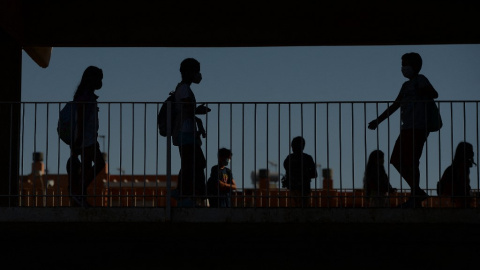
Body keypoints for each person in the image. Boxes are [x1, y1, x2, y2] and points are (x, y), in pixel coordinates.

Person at [368, 52, 439, 208]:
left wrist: (421, 92)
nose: (403, 68)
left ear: (414, 66)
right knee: (396, 160)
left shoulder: (421, 79)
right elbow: (395, 105)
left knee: (411, 161)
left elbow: (434, 93)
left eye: (405, 64)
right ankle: (416, 191)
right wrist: (378, 120)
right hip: (407, 127)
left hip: (418, 126)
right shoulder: (405, 86)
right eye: (402, 65)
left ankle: (415, 195)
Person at [172, 58, 210, 207]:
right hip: (185, 132)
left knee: (191, 163)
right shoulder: (184, 89)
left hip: (187, 133)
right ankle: (186, 195)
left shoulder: (183, 88)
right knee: (195, 163)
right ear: (189, 72)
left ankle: (184, 192)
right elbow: (187, 109)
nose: (198, 75)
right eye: (196, 71)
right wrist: (198, 110)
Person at [67, 66, 106, 207]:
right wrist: (78, 139)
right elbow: (82, 119)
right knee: (99, 163)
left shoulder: (85, 94)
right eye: (99, 78)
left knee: (87, 166)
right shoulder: (86, 96)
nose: (101, 82)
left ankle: (80, 197)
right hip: (86, 139)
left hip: (88, 138)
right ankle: (77, 192)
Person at [437, 142, 476, 208]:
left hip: (451, 197)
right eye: (470, 150)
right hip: (454, 198)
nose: (472, 153)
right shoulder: (461, 167)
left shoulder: (456, 166)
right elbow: (462, 185)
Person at [283, 136, 317, 207]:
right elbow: (314, 174)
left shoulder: (289, 159)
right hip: (305, 189)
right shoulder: (308, 158)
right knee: (305, 211)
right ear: (303, 147)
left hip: (293, 189)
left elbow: (287, 171)